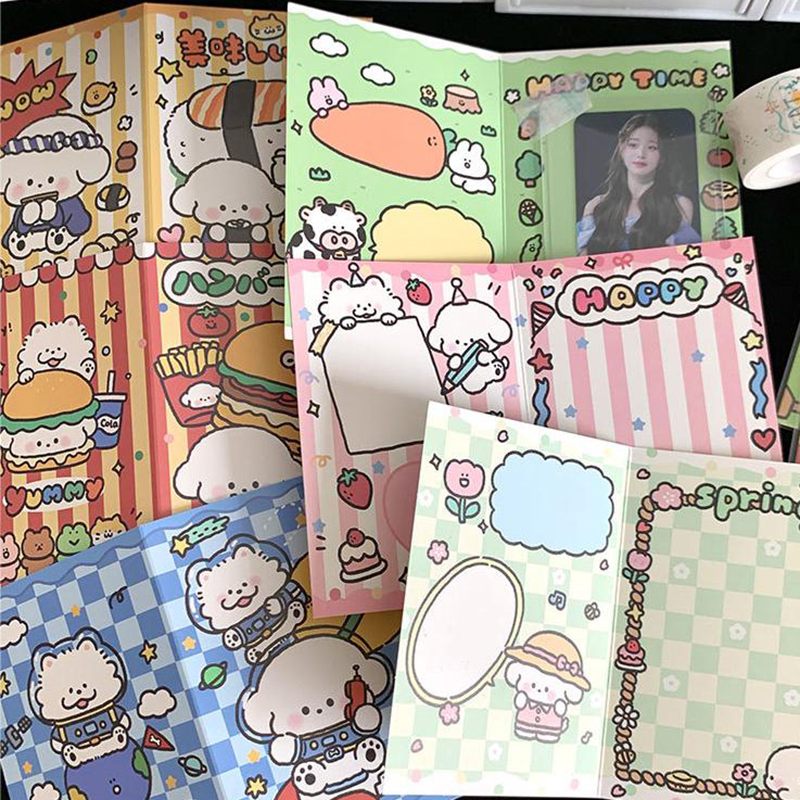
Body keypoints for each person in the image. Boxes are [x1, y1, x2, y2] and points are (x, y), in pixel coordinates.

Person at [578, 113, 700, 254]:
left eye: (652, 147)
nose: (641, 154)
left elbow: (682, 258)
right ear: (622, 150)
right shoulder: (596, 206)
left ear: (662, 155)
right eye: (633, 145)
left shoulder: (679, 205)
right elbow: (581, 258)